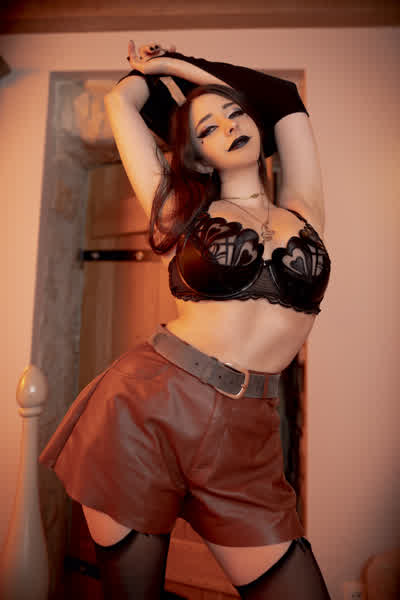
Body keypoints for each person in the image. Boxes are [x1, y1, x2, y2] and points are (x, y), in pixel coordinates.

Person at [39, 40, 332, 599]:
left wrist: (175, 64)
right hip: (148, 407)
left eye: (235, 112)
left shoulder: (304, 207)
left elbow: (284, 96)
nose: (229, 126)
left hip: (249, 433)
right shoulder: (179, 211)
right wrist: (145, 72)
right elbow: (121, 104)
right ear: (197, 156)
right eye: (208, 128)